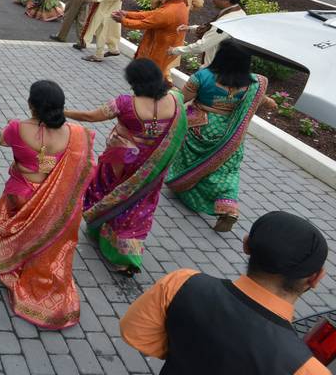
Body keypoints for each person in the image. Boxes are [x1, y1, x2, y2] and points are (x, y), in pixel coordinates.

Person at [120, 211, 330, 374]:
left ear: (246, 245)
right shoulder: (306, 369)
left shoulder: (182, 282)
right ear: (315, 278)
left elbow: (135, 334)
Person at [65, 59, 187, 275]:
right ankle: (126, 255)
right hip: (151, 168)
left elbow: (90, 116)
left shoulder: (124, 103)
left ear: (134, 82)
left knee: (104, 193)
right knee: (138, 206)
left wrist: (63, 112)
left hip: (120, 163)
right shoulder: (176, 100)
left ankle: (98, 226)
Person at [0, 80, 96, 328]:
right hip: (54, 199)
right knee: (46, 237)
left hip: (22, 193)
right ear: (61, 107)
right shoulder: (76, 134)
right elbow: (89, 169)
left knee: (18, 227)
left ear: (31, 105)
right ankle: (35, 270)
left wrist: (11, 127)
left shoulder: (17, 128)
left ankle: (15, 264)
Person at [166, 40, 275, 232]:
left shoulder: (203, 76)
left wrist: (167, 94)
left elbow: (183, 97)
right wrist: (268, 101)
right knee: (226, 171)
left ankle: (185, 188)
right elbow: (259, 99)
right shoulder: (253, 83)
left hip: (201, 126)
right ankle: (228, 208)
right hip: (231, 132)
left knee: (191, 162)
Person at [114, 0, 190, 82]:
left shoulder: (168, 11)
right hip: (167, 50)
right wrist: (127, 14)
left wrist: (123, 20)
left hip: (159, 52)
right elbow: (152, 14)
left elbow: (144, 23)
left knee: (149, 80)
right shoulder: (181, 5)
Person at [169, 0, 246, 67]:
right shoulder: (238, 12)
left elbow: (202, 46)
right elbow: (211, 30)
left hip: (213, 69)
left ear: (227, 0)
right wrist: (190, 28)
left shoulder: (225, 23)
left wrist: (174, 50)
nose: (212, 0)